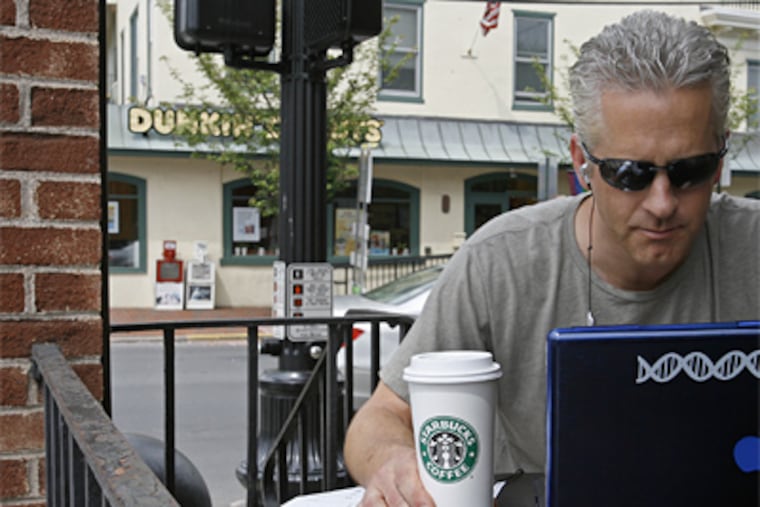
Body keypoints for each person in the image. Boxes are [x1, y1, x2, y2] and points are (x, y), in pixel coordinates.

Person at [344, 10, 760, 506]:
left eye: (690, 170)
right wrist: (394, 465)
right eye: (630, 173)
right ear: (582, 163)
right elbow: (379, 419)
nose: (662, 202)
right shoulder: (500, 262)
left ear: (721, 158)